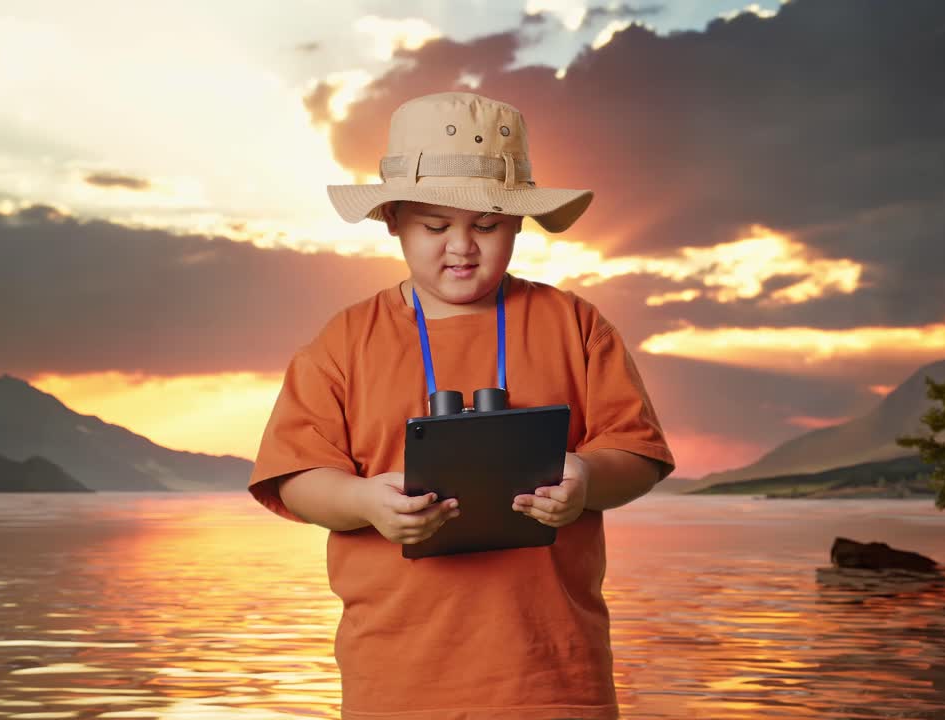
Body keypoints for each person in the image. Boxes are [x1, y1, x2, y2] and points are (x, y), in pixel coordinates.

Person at [248, 91, 675, 720]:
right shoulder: (344, 341)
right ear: (392, 218)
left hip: (555, 680)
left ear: (520, 223)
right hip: (396, 683)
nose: (462, 247)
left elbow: (636, 452)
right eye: (435, 225)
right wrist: (365, 501)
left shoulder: (575, 324)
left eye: (486, 225)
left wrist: (584, 478)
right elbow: (294, 476)